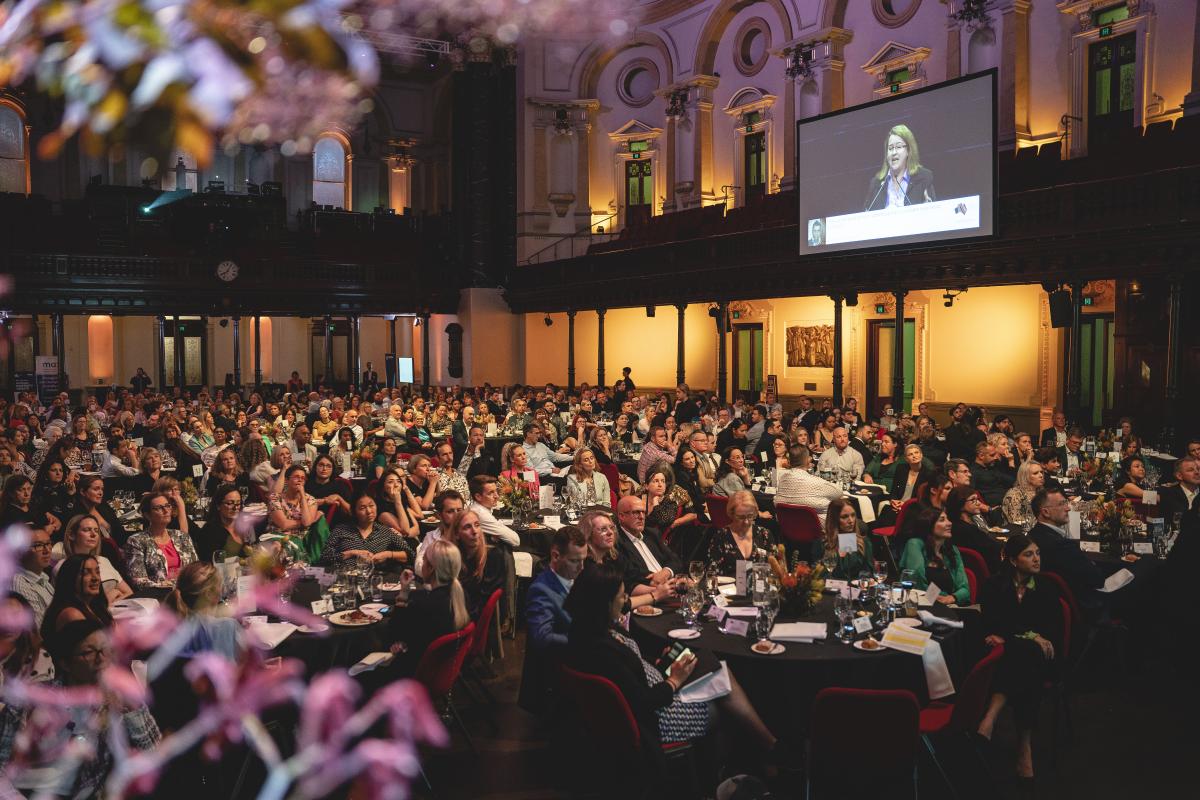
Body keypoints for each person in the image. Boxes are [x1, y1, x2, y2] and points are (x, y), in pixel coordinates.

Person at [562, 562, 779, 757]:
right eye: (622, 597)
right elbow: (641, 702)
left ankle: (765, 748)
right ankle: (758, 754)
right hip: (657, 718)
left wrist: (659, 664)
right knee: (721, 691)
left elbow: (629, 672)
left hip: (657, 686)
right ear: (605, 603)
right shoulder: (601, 650)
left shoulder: (584, 630)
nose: (627, 601)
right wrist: (673, 681)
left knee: (714, 668)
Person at [0, 620, 161, 797]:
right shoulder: (32, 701)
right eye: (88, 652)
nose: (101, 659)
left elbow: (154, 755)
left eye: (106, 650)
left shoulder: (120, 701)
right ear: (65, 664)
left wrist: (132, 710)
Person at [977, 533, 1063, 783]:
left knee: (1026, 653)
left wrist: (1023, 635)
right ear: (1013, 560)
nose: (1036, 559)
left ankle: (991, 716)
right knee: (1022, 655)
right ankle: (1025, 745)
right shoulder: (995, 585)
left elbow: (1053, 631)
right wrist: (1030, 634)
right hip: (1014, 660)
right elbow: (991, 622)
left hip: (1042, 659)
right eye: (1029, 554)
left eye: (1037, 553)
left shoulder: (1047, 587)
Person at [519, 526, 588, 714]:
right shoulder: (541, 589)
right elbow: (542, 638)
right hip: (558, 674)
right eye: (575, 561)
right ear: (556, 556)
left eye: (584, 560)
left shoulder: (575, 576)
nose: (582, 567)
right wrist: (584, 640)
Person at [1028, 487, 1102, 608]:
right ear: (1046, 512)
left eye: (1066, 503)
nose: (1068, 508)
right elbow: (1097, 579)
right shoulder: (1062, 546)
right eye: (1062, 504)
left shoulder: (1032, 535)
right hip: (1085, 605)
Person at [162, 561, 244, 663]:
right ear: (210, 594)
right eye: (220, 587)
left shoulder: (165, 630)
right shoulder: (228, 627)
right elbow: (251, 669)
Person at [124, 492, 199, 589]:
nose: (166, 510)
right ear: (147, 515)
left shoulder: (181, 536)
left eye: (167, 506)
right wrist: (171, 587)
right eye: (159, 508)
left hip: (188, 592)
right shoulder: (137, 541)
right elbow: (139, 581)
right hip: (158, 597)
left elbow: (196, 569)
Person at [53, 515, 133, 603]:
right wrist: (112, 595)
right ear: (71, 535)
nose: (93, 534)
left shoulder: (103, 560)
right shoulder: (64, 566)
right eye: (87, 530)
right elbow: (74, 606)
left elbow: (129, 593)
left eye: (96, 530)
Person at [898, 507, 970, 605]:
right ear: (929, 525)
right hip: (922, 604)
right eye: (942, 520)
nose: (949, 523)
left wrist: (952, 598)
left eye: (948, 519)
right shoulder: (915, 544)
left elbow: (965, 588)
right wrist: (940, 598)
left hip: (951, 605)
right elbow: (917, 580)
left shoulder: (952, 550)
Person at [321, 495, 414, 568]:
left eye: (371, 505)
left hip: (375, 579)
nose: (369, 511)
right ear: (354, 512)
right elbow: (324, 557)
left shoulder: (385, 531)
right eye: (362, 508)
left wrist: (389, 554)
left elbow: (410, 555)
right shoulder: (341, 530)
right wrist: (351, 553)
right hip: (344, 578)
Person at [445, 509, 506, 618]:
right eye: (467, 527)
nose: (474, 531)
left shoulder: (493, 556)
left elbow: (483, 602)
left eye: (477, 525)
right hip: (455, 611)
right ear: (457, 534)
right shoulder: (455, 557)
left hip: (474, 619)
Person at [40, 554, 112, 641]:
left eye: (97, 572)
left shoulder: (94, 606)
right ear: (70, 578)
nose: (95, 578)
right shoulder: (72, 614)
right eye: (86, 573)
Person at [864, 124, 935, 211]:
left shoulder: (923, 178)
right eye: (890, 148)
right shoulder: (876, 184)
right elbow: (866, 213)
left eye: (898, 147)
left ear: (909, 150)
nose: (894, 152)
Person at [707, 491, 774, 575]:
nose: (746, 522)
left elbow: (775, 570)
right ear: (731, 514)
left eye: (750, 516)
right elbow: (712, 573)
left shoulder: (764, 534)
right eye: (741, 517)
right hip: (729, 586)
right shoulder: (721, 537)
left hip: (759, 587)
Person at [775, 445, 842, 523]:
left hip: (790, 529)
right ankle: (849, 536)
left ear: (789, 461)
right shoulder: (815, 482)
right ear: (808, 460)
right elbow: (839, 493)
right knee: (852, 524)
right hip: (820, 530)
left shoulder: (782, 479)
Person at [945, 486, 1004, 573]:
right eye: (973, 500)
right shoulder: (968, 530)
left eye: (977, 499)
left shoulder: (953, 525)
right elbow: (994, 549)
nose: (978, 503)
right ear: (960, 504)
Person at [813, 497, 874, 580]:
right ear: (834, 520)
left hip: (856, 589)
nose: (851, 521)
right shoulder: (822, 544)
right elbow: (818, 575)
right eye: (844, 517)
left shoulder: (863, 542)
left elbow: (868, 573)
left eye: (853, 515)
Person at [11, 527, 54, 628]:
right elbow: (38, 631)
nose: (47, 550)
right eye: (38, 545)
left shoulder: (42, 576)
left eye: (48, 543)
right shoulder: (20, 584)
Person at [640, 464, 696, 542]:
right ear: (646, 486)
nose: (660, 485)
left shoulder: (670, 503)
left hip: (652, 542)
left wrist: (655, 502)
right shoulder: (637, 500)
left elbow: (663, 520)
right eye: (656, 481)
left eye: (663, 481)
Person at [415, 490, 464, 575]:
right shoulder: (431, 536)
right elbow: (419, 567)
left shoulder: (469, 534)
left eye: (459, 510)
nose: (457, 515)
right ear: (439, 515)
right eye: (450, 511)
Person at [466, 474, 520, 548]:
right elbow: (516, 541)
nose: (496, 496)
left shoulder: (479, 508)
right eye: (490, 493)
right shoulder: (480, 513)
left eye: (496, 491)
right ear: (478, 497)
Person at [1159, 456, 1200, 520]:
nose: (1197, 472)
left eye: (1198, 469)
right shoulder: (1169, 493)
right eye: (1190, 470)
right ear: (1179, 476)